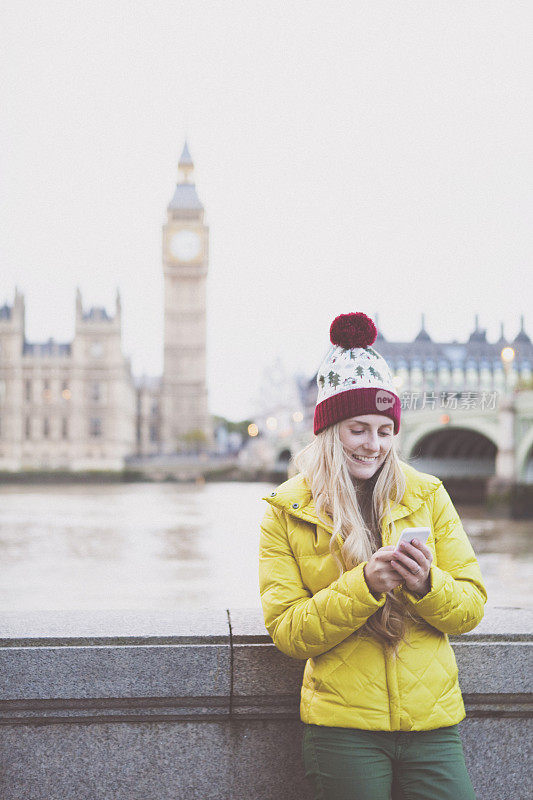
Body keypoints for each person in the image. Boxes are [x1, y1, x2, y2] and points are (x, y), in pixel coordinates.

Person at [259, 312, 487, 800]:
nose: (374, 445)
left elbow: (470, 607)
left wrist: (427, 584)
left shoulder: (428, 494)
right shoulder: (288, 509)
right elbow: (288, 631)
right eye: (358, 429)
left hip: (433, 725)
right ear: (329, 430)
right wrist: (365, 586)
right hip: (343, 730)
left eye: (385, 430)